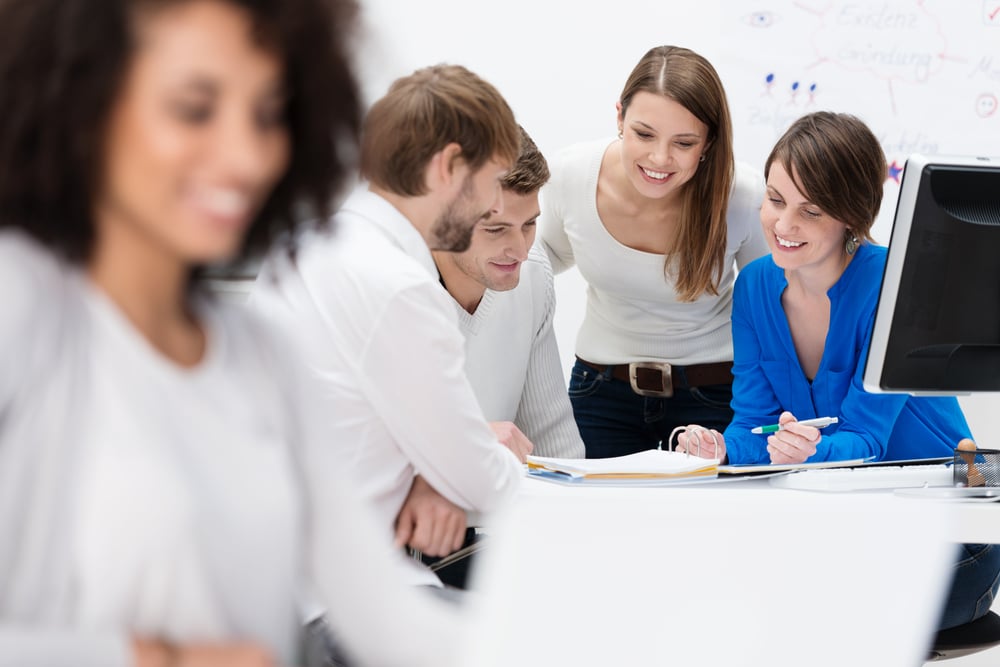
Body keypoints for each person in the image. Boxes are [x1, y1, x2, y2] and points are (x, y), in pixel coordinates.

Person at [0, 1, 462, 665]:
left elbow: (385, 614)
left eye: (269, 114)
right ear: (81, 103)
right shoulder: (23, 309)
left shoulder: (261, 354)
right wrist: (152, 657)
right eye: (194, 109)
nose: (246, 156)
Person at [676, 110, 1000, 632]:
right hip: (847, 533)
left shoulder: (892, 285)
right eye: (776, 200)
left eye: (811, 211)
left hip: (950, 534)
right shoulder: (755, 287)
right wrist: (725, 449)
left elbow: (866, 442)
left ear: (850, 215)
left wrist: (811, 452)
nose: (783, 225)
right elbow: (755, 425)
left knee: (821, 621)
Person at [250, 64, 528, 589]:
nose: (494, 205)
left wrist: (439, 468)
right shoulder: (398, 286)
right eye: (492, 183)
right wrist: (517, 476)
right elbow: (482, 480)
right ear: (449, 166)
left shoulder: (302, 247)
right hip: (346, 594)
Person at [538, 45, 769, 459]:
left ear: (708, 143)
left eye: (683, 142)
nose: (659, 158)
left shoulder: (743, 197)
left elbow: (775, 311)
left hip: (714, 399)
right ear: (619, 118)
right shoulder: (571, 177)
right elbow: (533, 264)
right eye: (644, 134)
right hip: (599, 393)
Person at [433, 126, 584, 460]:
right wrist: (470, 441)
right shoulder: (388, 291)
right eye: (496, 229)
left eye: (529, 224)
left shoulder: (532, 273)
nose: (519, 249)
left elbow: (556, 444)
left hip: (503, 504)